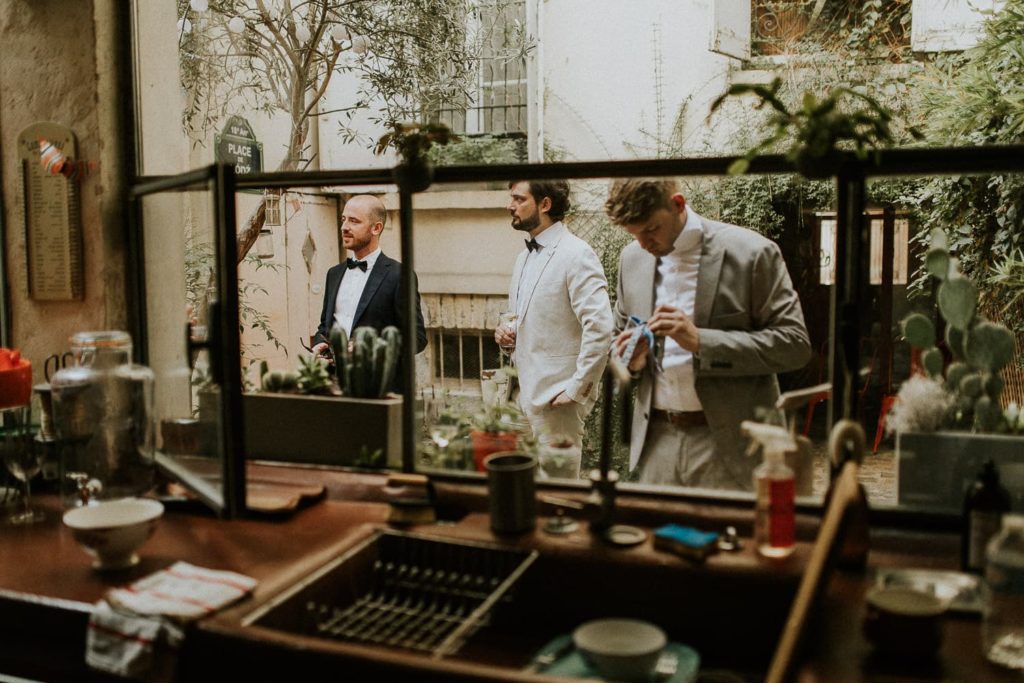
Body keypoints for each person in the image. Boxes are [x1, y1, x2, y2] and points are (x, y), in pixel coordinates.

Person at [606, 178, 811, 490]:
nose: (644, 244)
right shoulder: (631, 259)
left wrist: (702, 341)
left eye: (651, 229)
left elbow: (794, 345)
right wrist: (629, 359)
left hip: (733, 446)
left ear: (677, 204)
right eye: (634, 234)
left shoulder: (753, 254)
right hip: (656, 442)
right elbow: (616, 341)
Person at [495, 180, 614, 447]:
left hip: (557, 401)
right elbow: (524, 322)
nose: (510, 206)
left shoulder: (577, 254)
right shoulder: (522, 259)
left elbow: (601, 328)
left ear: (545, 204)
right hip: (518, 398)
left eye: (518, 199)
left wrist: (577, 389)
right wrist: (506, 337)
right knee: (516, 484)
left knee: (557, 486)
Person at [311, 194, 427, 391]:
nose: (344, 227)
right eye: (343, 219)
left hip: (379, 389)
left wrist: (370, 348)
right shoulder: (334, 274)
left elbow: (417, 338)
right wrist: (319, 343)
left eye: (354, 221)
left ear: (376, 228)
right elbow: (326, 326)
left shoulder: (399, 275)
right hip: (334, 386)